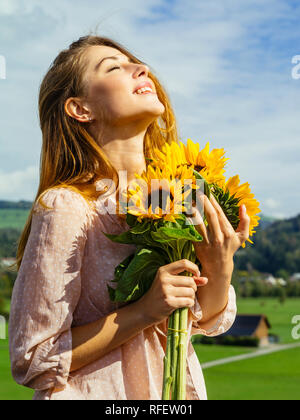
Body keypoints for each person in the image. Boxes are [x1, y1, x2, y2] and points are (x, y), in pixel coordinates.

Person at [9, 35, 250, 400]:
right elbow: (34, 359)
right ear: (80, 109)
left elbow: (203, 320)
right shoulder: (67, 206)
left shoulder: (181, 191)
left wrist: (220, 264)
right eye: (114, 67)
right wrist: (143, 311)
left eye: (136, 62)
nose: (143, 69)